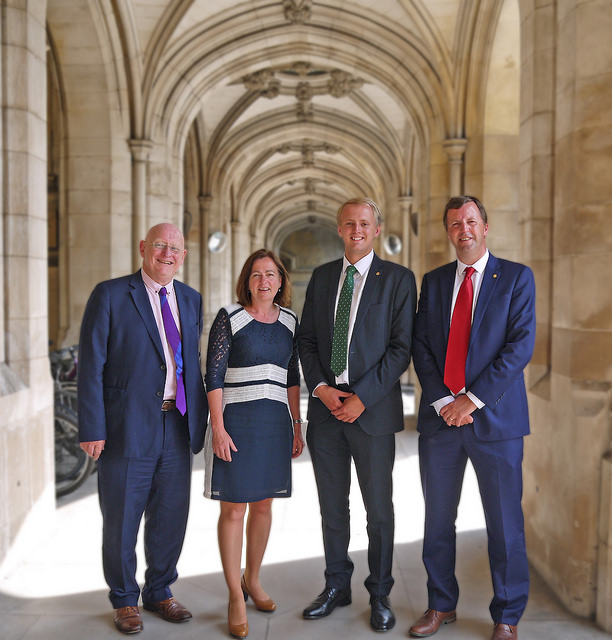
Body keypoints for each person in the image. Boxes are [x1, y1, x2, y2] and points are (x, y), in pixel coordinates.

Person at [410, 196, 535, 640]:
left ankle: (507, 614)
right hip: (441, 422)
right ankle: (440, 604)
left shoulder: (517, 278)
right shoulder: (436, 281)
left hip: (496, 423)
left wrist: (473, 399)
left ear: (485, 227)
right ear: (448, 232)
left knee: (503, 524)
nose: (463, 229)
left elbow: (519, 346)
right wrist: (444, 400)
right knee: (438, 521)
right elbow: (421, 345)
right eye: (454, 223)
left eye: (470, 221)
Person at [78, 223, 208, 634]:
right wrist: (92, 427)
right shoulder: (112, 294)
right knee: (122, 516)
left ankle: (159, 590)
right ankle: (123, 599)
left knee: (171, 514)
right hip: (125, 425)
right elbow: (91, 365)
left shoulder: (190, 298)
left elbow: (192, 365)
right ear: (143, 249)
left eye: (175, 248)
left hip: (178, 421)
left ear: (184, 256)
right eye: (160, 246)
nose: (167, 253)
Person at [298, 197, 416, 632]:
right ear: (339, 228)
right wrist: (323, 389)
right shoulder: (323, 276)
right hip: (327, 411)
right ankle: (336, 585)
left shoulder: (399, 280)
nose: (357, 230)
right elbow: (306, 341)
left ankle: (380, 592)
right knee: (332, 507)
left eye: (364, 223)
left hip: (373, 410)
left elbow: (401, 347)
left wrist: (362, 397)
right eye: (349, 223)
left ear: (376, 229)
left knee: (378, 509)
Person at [204, 249, 304, 639]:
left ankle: (253, 579)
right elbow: (212, 376)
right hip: (237, 423)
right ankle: (233, 594)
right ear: (247, 280)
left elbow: (292, 376)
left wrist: (297, 425)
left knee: (263, 505)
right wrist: (218, 426)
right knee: (233, 510)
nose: (264, 281)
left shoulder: (292, 322)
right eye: (257, 274)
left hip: (275, 423)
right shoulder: (230, 318)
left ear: (281, 281)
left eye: (271, 274)